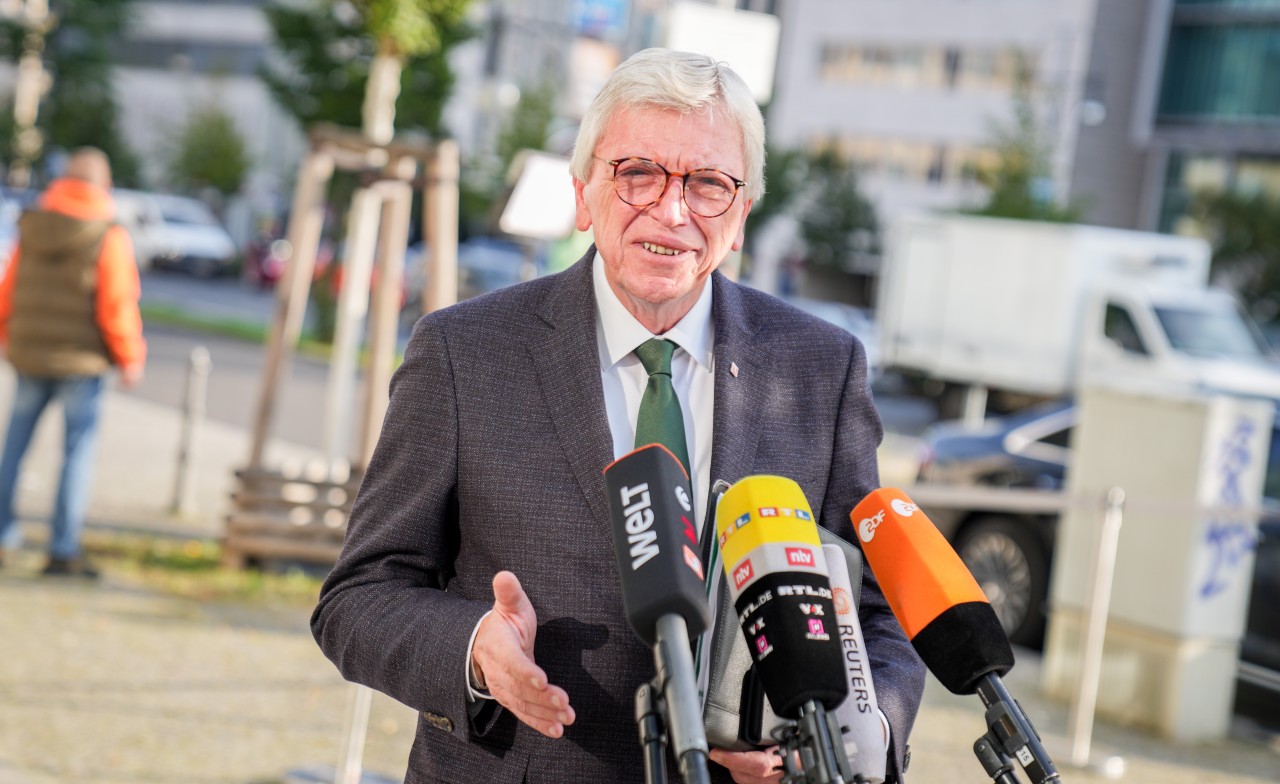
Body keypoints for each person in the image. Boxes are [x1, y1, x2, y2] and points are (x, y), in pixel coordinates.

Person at [313, 49, 925, 783]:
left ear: (741, 216)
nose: (672, 211)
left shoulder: (820, 368)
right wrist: (474, 644)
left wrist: (853, 743)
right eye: (638, 173)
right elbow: (359, 596)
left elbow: (876, 612)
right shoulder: (463, 353)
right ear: (582, 193)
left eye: (707, 184)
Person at [0, 147, 146, 577]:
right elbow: (116, 304)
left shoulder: (34, 223)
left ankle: (2, 534)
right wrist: (129, 356)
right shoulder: (107, 233)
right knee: (76, 453)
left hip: (29, 352)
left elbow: (9, 284)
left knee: (14, 446)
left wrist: (6, 332)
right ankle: (63, 550)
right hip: (81, 361)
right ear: (105, 185)